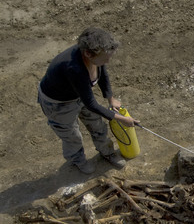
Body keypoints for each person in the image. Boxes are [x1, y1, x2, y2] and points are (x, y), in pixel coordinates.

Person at [38, 27, 139, 174]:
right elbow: (91, 104)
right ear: (88, 53)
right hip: (58, 103)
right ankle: (78, 160)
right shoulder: (74, 68)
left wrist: (110, 98)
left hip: (79, 94)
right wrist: (120, 118)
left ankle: (107, 152)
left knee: (97, 124)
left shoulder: (95, 57)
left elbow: (102, 71)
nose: (108, 61)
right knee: (72, 135)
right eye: (106, 57)